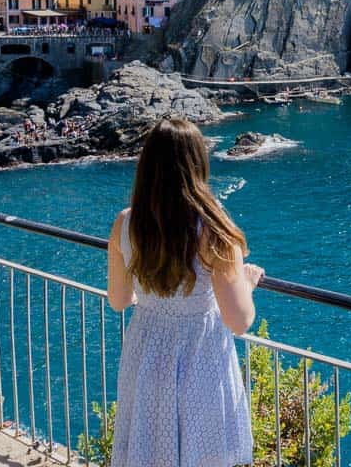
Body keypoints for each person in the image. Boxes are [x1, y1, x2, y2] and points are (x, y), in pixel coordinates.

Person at [107, 118, 262, 467]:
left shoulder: (126, 223)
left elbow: (119, 300)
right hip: (199, 359)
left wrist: (151, 300)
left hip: (145, 355)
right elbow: (239, 321)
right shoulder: (212, 228)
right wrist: (247, 282)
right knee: (201, 453)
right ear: (197, 164)